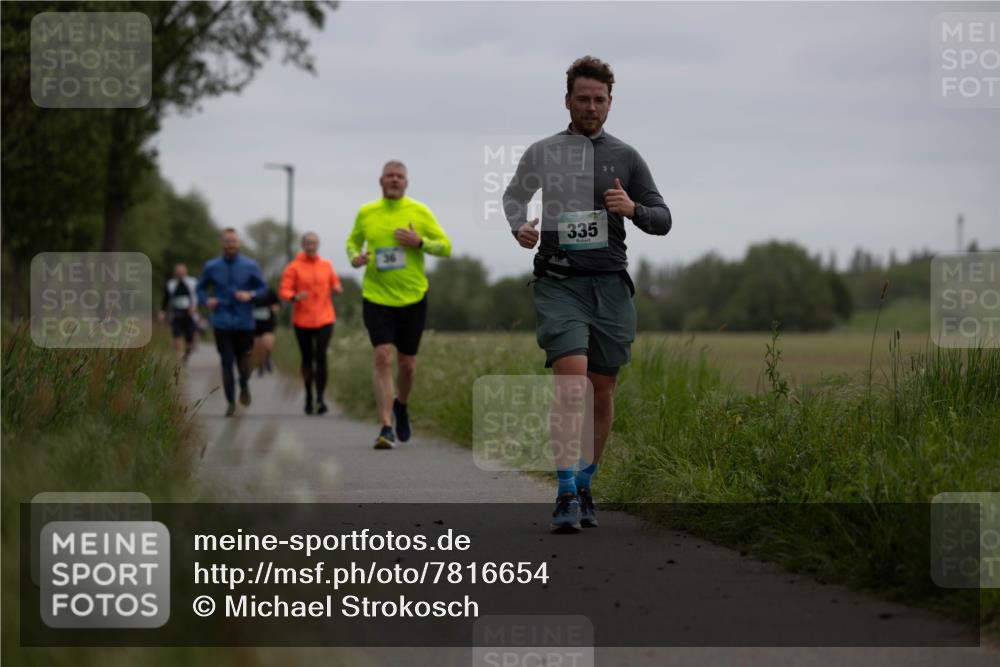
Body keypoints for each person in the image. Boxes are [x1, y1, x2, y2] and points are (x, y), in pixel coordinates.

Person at [503, 56, 671, 532]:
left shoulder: (627, 157)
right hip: (559, 283)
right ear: (567, 101)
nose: (591, 107)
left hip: (610, 286)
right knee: (571, 382)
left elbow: (663, 219)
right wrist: (520, 226)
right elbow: (514, 196)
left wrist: (633, 208)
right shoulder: (543, 152)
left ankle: (584, 482)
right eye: (583, 99)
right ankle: (563, 492)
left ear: (610, 103)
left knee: (601, 391)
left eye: (599, 100)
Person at [346, 160, 452, 449]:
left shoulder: (419, 211)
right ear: (380, 181)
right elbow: (352, 243)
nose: (394, 180)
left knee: (407, 364)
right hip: (376, 296)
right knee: (382, 356)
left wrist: (420, 243)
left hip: (413, 297)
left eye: (399, 176)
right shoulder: (367, 212)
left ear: (406, 183)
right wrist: (355, 257)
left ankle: (401, 405)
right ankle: (385, 426)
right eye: (389, 176)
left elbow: (445, 246)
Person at [196, 228, 267, 417]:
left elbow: (263, 289)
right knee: (226, 361)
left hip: (245, 322)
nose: (231, 245)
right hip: (222, 320)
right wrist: (206, 300)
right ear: (222, 243)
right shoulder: (212, 266)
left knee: (244, 361)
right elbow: (200, 288)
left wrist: (250, 294)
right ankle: (230, 402)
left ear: (239, 243)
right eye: (228, 241)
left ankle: (243, 384)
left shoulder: (250, 265)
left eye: (234, 241)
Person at [280, 232, 343, 415]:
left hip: (325, 318)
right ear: (303, 245)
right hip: (302, 320)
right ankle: (308, 395)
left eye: (313, 243)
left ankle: (320, 399)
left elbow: (335, 283)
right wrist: (294, 296)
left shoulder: (326, 265)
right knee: (307, 358)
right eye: (307, 243)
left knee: (321, 356)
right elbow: (284, 290)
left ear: (318, 245)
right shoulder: (294, 267)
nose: (310, 246)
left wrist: (337, 289)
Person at [158, 263, 198, 365]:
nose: (180, 274)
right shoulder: (170, 284)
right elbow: (166, 299)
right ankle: (178, 358)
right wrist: (162, 311)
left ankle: (186, 354)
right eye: (178, 272)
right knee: (177, 336)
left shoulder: (193, 282)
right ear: (175, 273)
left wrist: (194, 307)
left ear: (186, 272)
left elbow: (197, 296)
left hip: (189, 315)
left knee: (190, 341)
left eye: (182, 272)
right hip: (176, 315)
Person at [251, 283, 281, 375]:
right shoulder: (249, 291)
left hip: (268, 323)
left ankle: (267, 358)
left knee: (267, 343)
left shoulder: (269, 291)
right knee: (257, 345)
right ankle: (261, 366)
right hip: (254, 323)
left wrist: (275, 308)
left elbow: (278, 304)